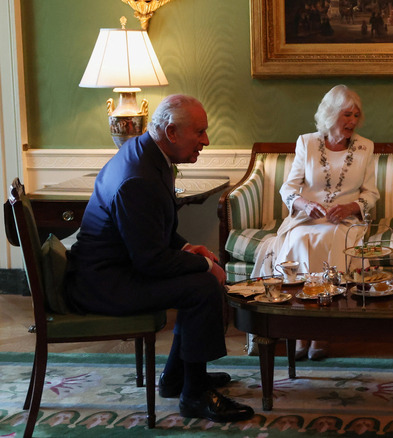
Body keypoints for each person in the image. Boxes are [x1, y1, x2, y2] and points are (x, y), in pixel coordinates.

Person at [65, 95, 254, 423]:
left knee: (199, 279)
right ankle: (194, 395)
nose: (206, 141)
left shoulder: (146, 154)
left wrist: (188, 250)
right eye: (200, 132)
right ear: (171, 132)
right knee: (202, 288)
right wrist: (205, 265)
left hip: (115, 270)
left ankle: (175, 379)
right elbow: (150, 261)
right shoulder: (139, 177)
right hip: (104, 284)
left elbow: (153, 233)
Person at [251, 84, 380, 361]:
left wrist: (350, 207)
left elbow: (371, 193)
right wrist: (305, 204)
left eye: (356, 115)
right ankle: (300, 331)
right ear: (331, 114)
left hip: (343, 223)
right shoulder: (307, 142)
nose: (353, 121)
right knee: (300, 239)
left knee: (331, 239)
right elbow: (288, 188)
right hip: (305, 220)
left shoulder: (365, 147)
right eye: (347, 115)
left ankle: (321, 331)